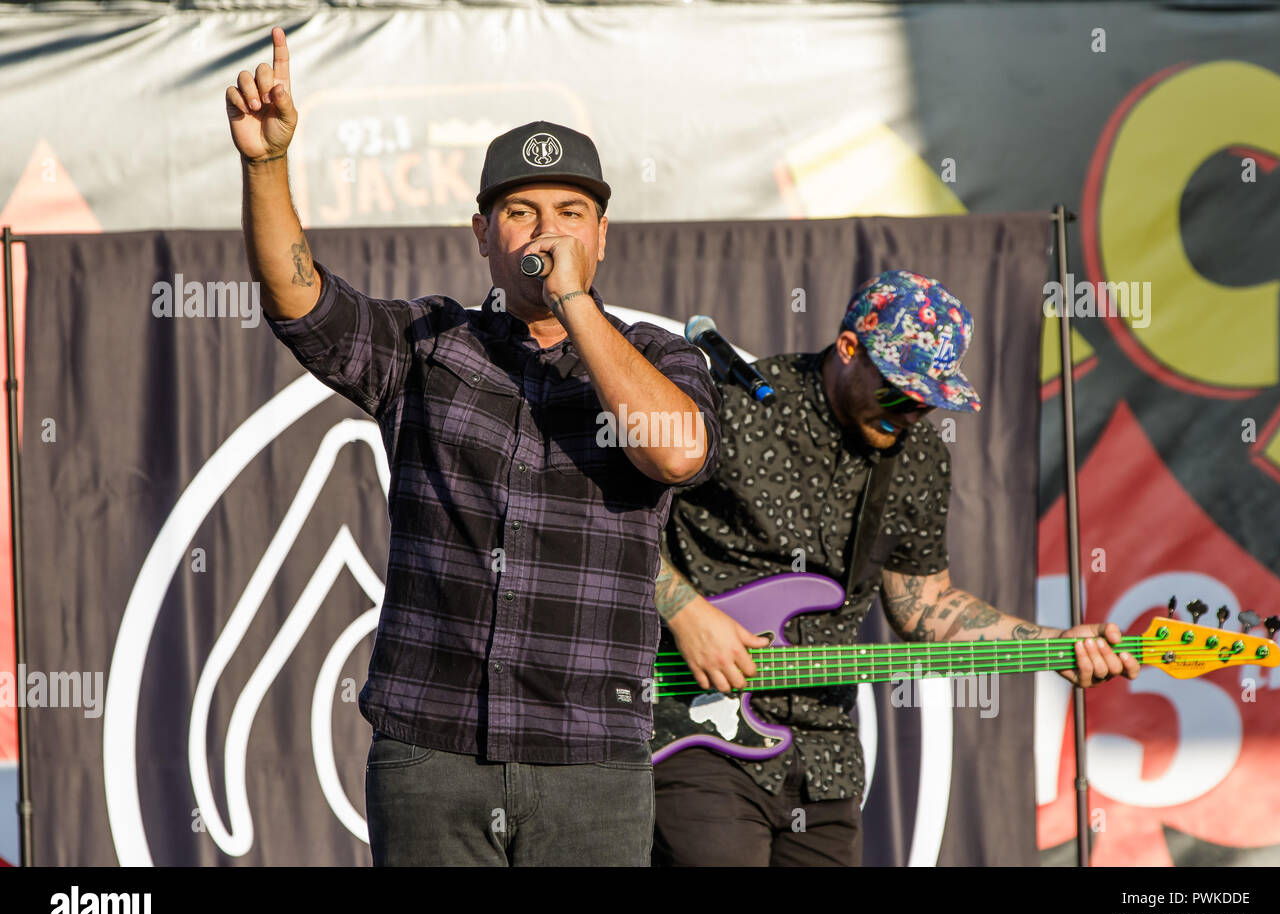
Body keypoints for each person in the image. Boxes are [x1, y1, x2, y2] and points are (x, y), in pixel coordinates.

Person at [226, 27, 720, 866]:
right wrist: (266, 165)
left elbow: (674, 454)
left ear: (602, 236)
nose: (544, 232)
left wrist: (574, 308)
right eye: (520, 212)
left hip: (590, 757)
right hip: (432, 751)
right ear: (482, 234)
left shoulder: (661, 357)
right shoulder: (425, 342)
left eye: (570, 214)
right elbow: (298, 298)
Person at [652, 270, 1139, 866]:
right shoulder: (735, 409)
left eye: (929, 400)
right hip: (694, 728)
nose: (913, 412)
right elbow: (609, 528)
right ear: (849, 348)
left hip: (824, 755)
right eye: (900, 391)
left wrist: (1056, 643)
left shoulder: (920, 457)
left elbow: (925, 606)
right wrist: (684, 611)